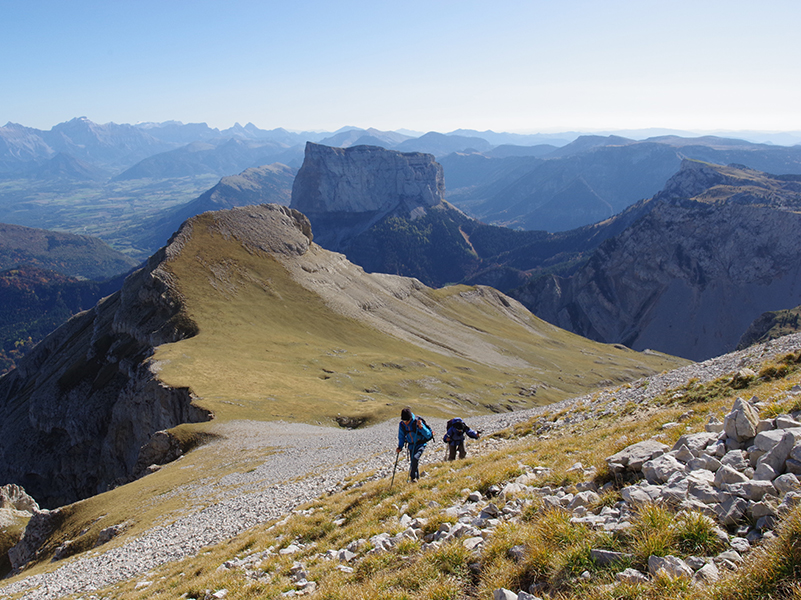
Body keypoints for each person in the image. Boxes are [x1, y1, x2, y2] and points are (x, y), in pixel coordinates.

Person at [396, 407, 432, 482]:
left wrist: (421, 427)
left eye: (407, 420)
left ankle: (413, 478)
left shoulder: (417, 422)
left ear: (410, 418)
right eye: (404, 420)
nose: (405, 422)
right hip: (411, 445)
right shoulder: (402, 424)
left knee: (415, 459)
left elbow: (428, 435)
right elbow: (401, 436)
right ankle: (416, 479)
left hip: (420, 444)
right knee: (413, 461)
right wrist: (400, 447)